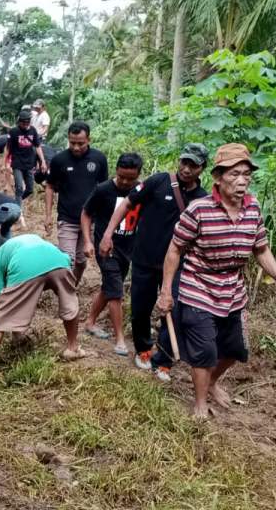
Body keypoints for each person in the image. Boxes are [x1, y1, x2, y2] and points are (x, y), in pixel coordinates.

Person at [155, 144, 276, 418]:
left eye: (246, 174)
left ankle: (211, 383)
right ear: (218, 177)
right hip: (198, 286)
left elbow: (261, 248)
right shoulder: (199, 210)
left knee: (235, 349)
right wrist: (166, 292)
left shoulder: (253, 208)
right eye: (234, 174)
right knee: (205, 350)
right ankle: (199, 403)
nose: (242, 181)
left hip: (233, 289)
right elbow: (174, 249)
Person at [100, 143, 209, 377]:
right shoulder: (158, 182)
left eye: (193, 165)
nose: (186, 168)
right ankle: (143, 349)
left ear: (202, 169)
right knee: (141, 308)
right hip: (144, 260)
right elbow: (128, 203)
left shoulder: (203, 199)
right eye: (184, 162)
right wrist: (108, 233)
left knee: (174, 309)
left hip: (179, 266)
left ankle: (164, 359)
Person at [0, 234, 88, 376]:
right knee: (70, 303)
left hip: (26, 265)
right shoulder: (20, 241)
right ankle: (72, 349)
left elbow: (3, 298)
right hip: (60, 260)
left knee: (0, 321)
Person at [81, 153, 143, 355]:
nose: (125, 182)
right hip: (105, 249)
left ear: (138, 175)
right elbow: (86, 213)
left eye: (130, 178)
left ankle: (90, 322)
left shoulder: (141, 190)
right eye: (121, 176)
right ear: (116, 170)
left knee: (109, 287)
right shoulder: (103, 189)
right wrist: (89, 241)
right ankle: (120, 339)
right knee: (116, 291)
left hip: (129, 249)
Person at [44, 121, 107, 283]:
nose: (76, 147)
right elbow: (50, 186)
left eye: (81, 143)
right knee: (67, 260)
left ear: (89, 140)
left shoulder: (99, 158)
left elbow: (104, 189)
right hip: (67, 219)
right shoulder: (59, 160)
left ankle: (72, 285)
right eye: (72, 143)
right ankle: (66, 293)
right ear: (68, 139)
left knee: (81, 260)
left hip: (90, 220)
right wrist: (48, 216)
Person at [4, 110, 46, 207]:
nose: (26, 125)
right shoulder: (14, 132)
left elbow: (38, 146)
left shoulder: (33, 130)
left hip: (29, 164)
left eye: (28, 123)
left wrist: (42, 161)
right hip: (17, 163)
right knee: (19, 187)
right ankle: (18, 209)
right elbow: (8, 148)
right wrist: (5, 163)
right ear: (19, 122)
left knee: (30, 189)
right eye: (24, 123)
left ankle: (16, 202)